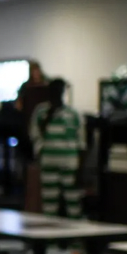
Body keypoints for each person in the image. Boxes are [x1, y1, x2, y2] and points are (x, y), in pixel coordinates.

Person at [30, 78, 84, 218]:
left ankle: (76, 239)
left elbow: (81, 143)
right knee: (49, 206)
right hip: (49, 162)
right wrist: (41, 152)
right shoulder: (41, 111)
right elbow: (35, 134)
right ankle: (51, 239)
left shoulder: (74, 114)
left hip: (70, 164)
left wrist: (80, 168)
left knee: (73, 204)